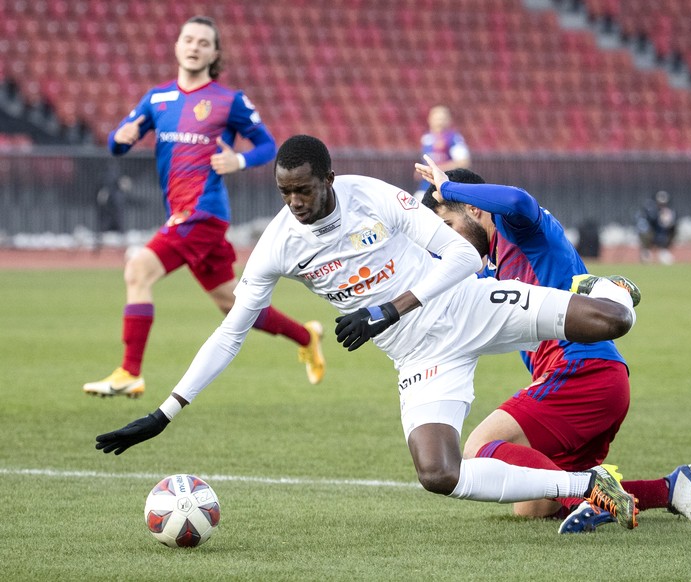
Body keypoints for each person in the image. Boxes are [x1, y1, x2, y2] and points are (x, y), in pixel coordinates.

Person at [96, 135, 642, 529]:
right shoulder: (279, 245)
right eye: (285, 193)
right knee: (438, 473)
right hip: (421, 360)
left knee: (611, 318)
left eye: (304, 191)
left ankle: (613, 285)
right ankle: (587, 486)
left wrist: (390, 308)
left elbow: (459, 254)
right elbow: (231, 333)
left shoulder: (372, 196)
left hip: (468, 305)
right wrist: (166, 411)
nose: (295, 204)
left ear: (327, 180)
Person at [420, 168, 691, 531]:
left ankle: (588, 496)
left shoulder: (520, 230)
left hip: (580, 371)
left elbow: (516, 199)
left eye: (449, 225)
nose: (450, 241)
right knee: (533, 505)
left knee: (479, 447)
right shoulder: (491, 268)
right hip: (602, 382)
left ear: (475, 209)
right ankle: (669, 490)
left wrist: (447, 186)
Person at [83, 17, 325, 398]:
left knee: (137, 270)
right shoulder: (157, 99)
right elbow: (117, 143)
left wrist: (239, 162)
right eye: (188, 39)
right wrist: (120, 138)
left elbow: (266, 145)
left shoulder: (230, 101)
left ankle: (129, 371)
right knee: (232, 304)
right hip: (182, 213)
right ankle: (306, 336)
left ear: (214, 54)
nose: (194, 46)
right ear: (177, 46)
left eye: (203, 42)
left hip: (203, 213)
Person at [413, 105, 471, 199]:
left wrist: (436, 169)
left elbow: (463, 162)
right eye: (436, 118)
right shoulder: (426, 138)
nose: (439, 121)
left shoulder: (454, 139)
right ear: (429, 119)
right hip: (425, 187)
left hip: (445, 188)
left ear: (449, 120)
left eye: (442, 118)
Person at [636, 190, 677, 265]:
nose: (662, 206)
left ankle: (663, 251)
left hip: (662, 234)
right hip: (651, 233)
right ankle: (646, 252)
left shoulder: (669, 212)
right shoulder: (650, 210)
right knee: (645, 232)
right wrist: (658, 215)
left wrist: (668, 220)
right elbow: (645, 223)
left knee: (673, 230)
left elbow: (669, 225)